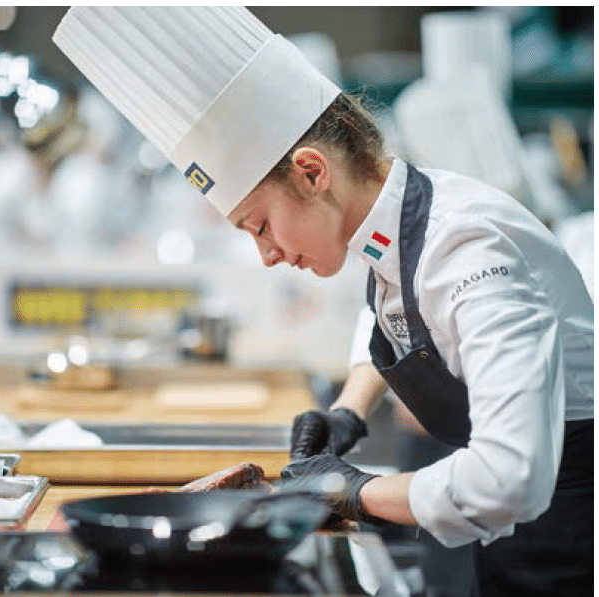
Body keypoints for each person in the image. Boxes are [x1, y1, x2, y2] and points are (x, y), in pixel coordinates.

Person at [53, 7, 593, 596]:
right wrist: (348, 413)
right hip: (517, 545)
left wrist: (350, 490)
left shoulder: (467, 247)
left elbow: (505, 480)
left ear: (311, 173)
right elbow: (393, 311)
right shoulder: (399, 223)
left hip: (569, 543)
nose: (266, 254)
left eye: (259, 225)